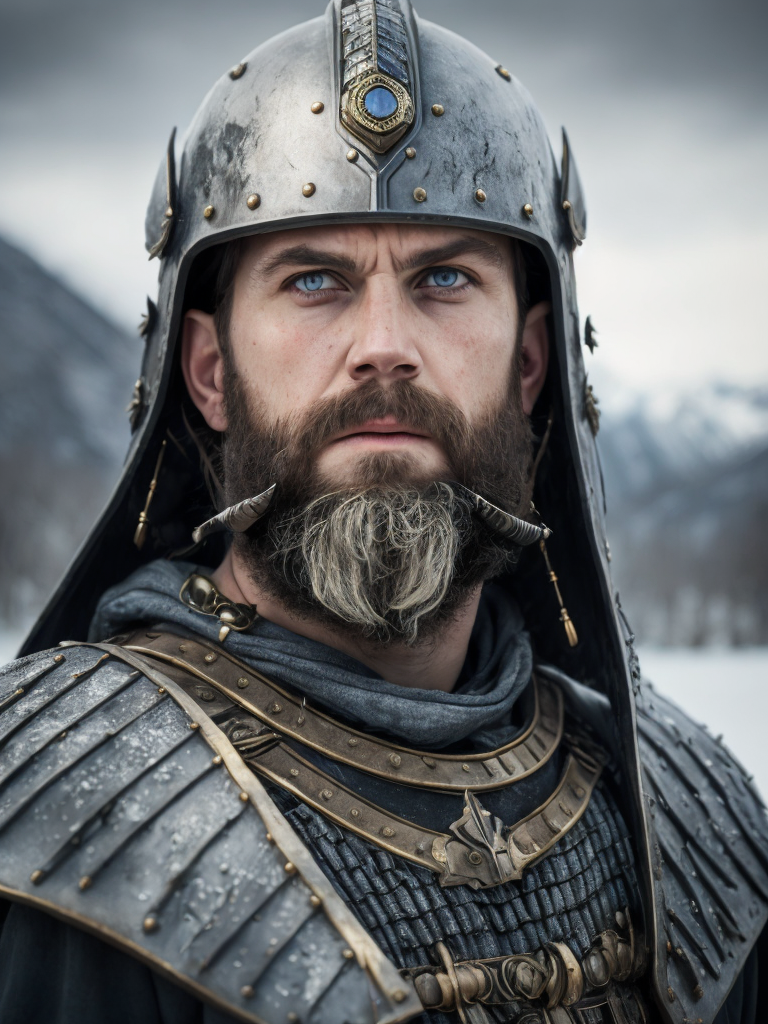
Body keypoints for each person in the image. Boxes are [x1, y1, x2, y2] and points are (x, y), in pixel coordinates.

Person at [1, 2, 766, 1022]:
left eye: (444, 277)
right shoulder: (51, 817)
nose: (384, 344)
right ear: (210, 372)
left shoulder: (685, 813)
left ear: (532, 365)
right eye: (314, 280)